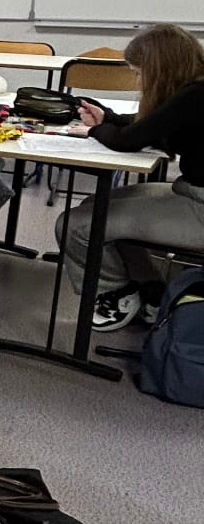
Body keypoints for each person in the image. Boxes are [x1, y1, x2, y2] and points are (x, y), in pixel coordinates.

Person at [60, 23, 204, 329]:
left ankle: (116, 293)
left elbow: (128, 141)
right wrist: (108, 118)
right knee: (96, 205)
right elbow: (154, 124)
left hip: (200, 207)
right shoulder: (194, 90)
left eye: (138, 73)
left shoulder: (194, 97)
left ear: (160, 69)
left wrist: (95, 130)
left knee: (75, 225)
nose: (137, 81)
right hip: (191, 192)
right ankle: (151, 291)